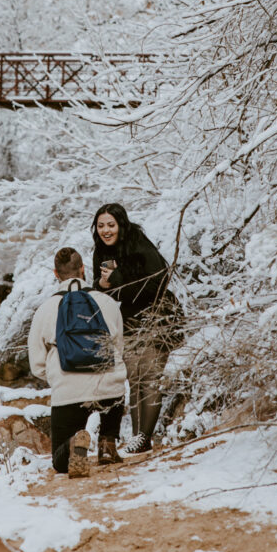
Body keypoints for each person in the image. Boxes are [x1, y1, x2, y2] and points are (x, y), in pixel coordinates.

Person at [27, 246, 127, 477]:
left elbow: (37, 364)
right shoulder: (107, 302)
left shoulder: (45, 309)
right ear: (83, 269)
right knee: (113, 390)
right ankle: (107, 443)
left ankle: (73, 445)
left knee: (59, 463)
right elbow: (118, 348)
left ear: (55, 273)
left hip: (68, 390)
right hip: (109, 387)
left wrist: (58, 376)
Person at [92, 203, 176, 455]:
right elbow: (105, 290)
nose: (106, 230)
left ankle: (143, 437)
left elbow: (159, 279)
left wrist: (115, 279)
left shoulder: (138, 243)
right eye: (101, 226)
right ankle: (139, 438)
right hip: (128, 319)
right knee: (135, 378)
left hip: (156, 316)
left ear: (121, 225)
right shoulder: (100, 251)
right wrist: (101, 284)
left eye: (111, 225)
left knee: (150, 377)